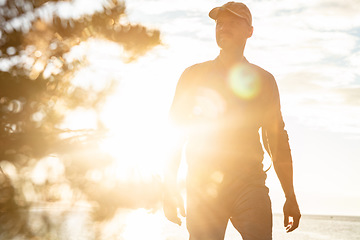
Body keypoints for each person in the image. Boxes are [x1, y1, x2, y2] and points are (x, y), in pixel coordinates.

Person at [163, 2, 301, 240]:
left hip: (249, 184)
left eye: (233, 22)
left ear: (250, 31)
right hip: (203, 185)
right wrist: (168, 188)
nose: (223, 27)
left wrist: (290, 195)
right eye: (219, 23)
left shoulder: (264, 80)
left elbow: (276, 138)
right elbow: (175, 134)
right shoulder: (193, 75)